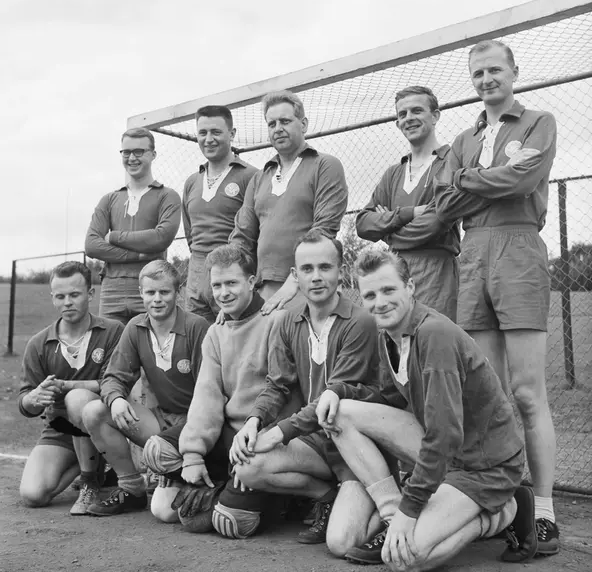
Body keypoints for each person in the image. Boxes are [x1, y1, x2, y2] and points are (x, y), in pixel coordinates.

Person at [319, 249, 536, 569]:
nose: (380, 302)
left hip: (485, 465)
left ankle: (504, 512)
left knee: (405, 559)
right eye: (370, 295)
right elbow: (390, 399)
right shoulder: (388, 334)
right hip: (452, 453)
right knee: (341, 413)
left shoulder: (434, 335)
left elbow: (445, 436)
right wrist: (338, 391)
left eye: (389, 290)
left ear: (410, 287)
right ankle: (392, 515)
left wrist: (412, 512)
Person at [434, 39, 559, 554]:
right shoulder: (464, 138)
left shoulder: (538, 122)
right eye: (478, 73)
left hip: (518, 249)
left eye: (494, 70)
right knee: (489, 394)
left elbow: (523, 179)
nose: (486, 79)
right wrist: (485, 180)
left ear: (513, 72)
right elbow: (444, 202)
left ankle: (545, 511)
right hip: (473, 254)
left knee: (527, 393)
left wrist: (467, 179)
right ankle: (508, 503)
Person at [229, 229, 380, 547]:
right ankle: (326, 496)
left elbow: (335, 395)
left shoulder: (361, 322)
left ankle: (379, 505)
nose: (316, 277)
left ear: (341, 271)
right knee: (248, 467)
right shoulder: (287, 321)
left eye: (325, 267)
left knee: (341, 543)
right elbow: (277, 384)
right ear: (295, 276)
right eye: (307, 269)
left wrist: (278, 433)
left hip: (355, 447)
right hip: (315, 442)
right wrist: (254, 422)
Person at [142, 244, 297, 535]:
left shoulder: (277, 320)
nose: (223, 293)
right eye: (217, 285)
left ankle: (274, 497)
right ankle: (222, 482)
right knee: (157, 452)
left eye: (231, 283)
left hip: (262, 437)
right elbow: (207, 397)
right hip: (227, 434)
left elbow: (282, 391)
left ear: (251, 282)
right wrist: (192, 455)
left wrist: (255, 443)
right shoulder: (216, 331)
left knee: (230, 523)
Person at [74, 260, 209, 516]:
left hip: (198, 424)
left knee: (165, 512)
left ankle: (192, 472)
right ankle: (132, 489)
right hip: (161, 420)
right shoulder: (136, 328)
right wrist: (116, 399)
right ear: (141, 293)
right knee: (95, 411)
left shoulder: (196, 327)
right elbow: (113, 377)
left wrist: (183, 440)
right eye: (150, 292)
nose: (157, 299)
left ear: (178, 292)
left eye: (164, 292)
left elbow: (211, 393)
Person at [18, 262, 123, 515]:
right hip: (61, 430)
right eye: (60, 296)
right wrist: (35, 397)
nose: (67, 302)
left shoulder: (113, 331)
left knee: (77, 399)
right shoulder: (39, 344)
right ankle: (93, 463)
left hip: (106, 424)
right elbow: (25, 403)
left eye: (74, 295)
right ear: (52, 298)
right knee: (33, 494)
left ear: (90, 293)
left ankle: (90, 481)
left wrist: (67, 386)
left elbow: (116, 382)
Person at [229, 90, 348, 314]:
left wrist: (294, 281)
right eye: (271, 124)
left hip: (308, 286)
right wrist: (233, 285)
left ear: (303, 124)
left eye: (285, 121)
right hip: (263, 290)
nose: (278, 128)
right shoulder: (259, 178)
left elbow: (324, 229)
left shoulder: (325, 165)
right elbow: (242, 237)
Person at [355, 86, 460, 320]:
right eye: (402, 114)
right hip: (394, 273)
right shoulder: (393, 173)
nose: (409, 118)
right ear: (397, 123)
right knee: (396, 339)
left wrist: (387, 232)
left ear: (435, 115)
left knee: (432, 335)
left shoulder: (452, 162)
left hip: (436, 273)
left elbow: (435, 223)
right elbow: (363, 224)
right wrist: (409, 213)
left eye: (417, 111)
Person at [85, 127, 181, 326]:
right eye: (126, 152)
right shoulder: (109, 199)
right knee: (110, 343)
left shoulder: (167, 196)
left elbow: (161, 238)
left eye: (139, 151)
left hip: (153, 288)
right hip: (111, 290)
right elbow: (92, 245)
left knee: (151, 343)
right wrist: (138, 255)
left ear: (153, 154)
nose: (131, 158)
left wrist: (114, 237)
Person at [182, 106, 258, 322]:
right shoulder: (191, 182)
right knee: (196, 339)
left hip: (231, 279)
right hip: (196, 280)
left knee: (234, 339)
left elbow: (256, 233)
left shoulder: (251, 176)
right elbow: (190, 234)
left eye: (216, 132)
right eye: (202, 133)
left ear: (232, 134)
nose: (209, 139)